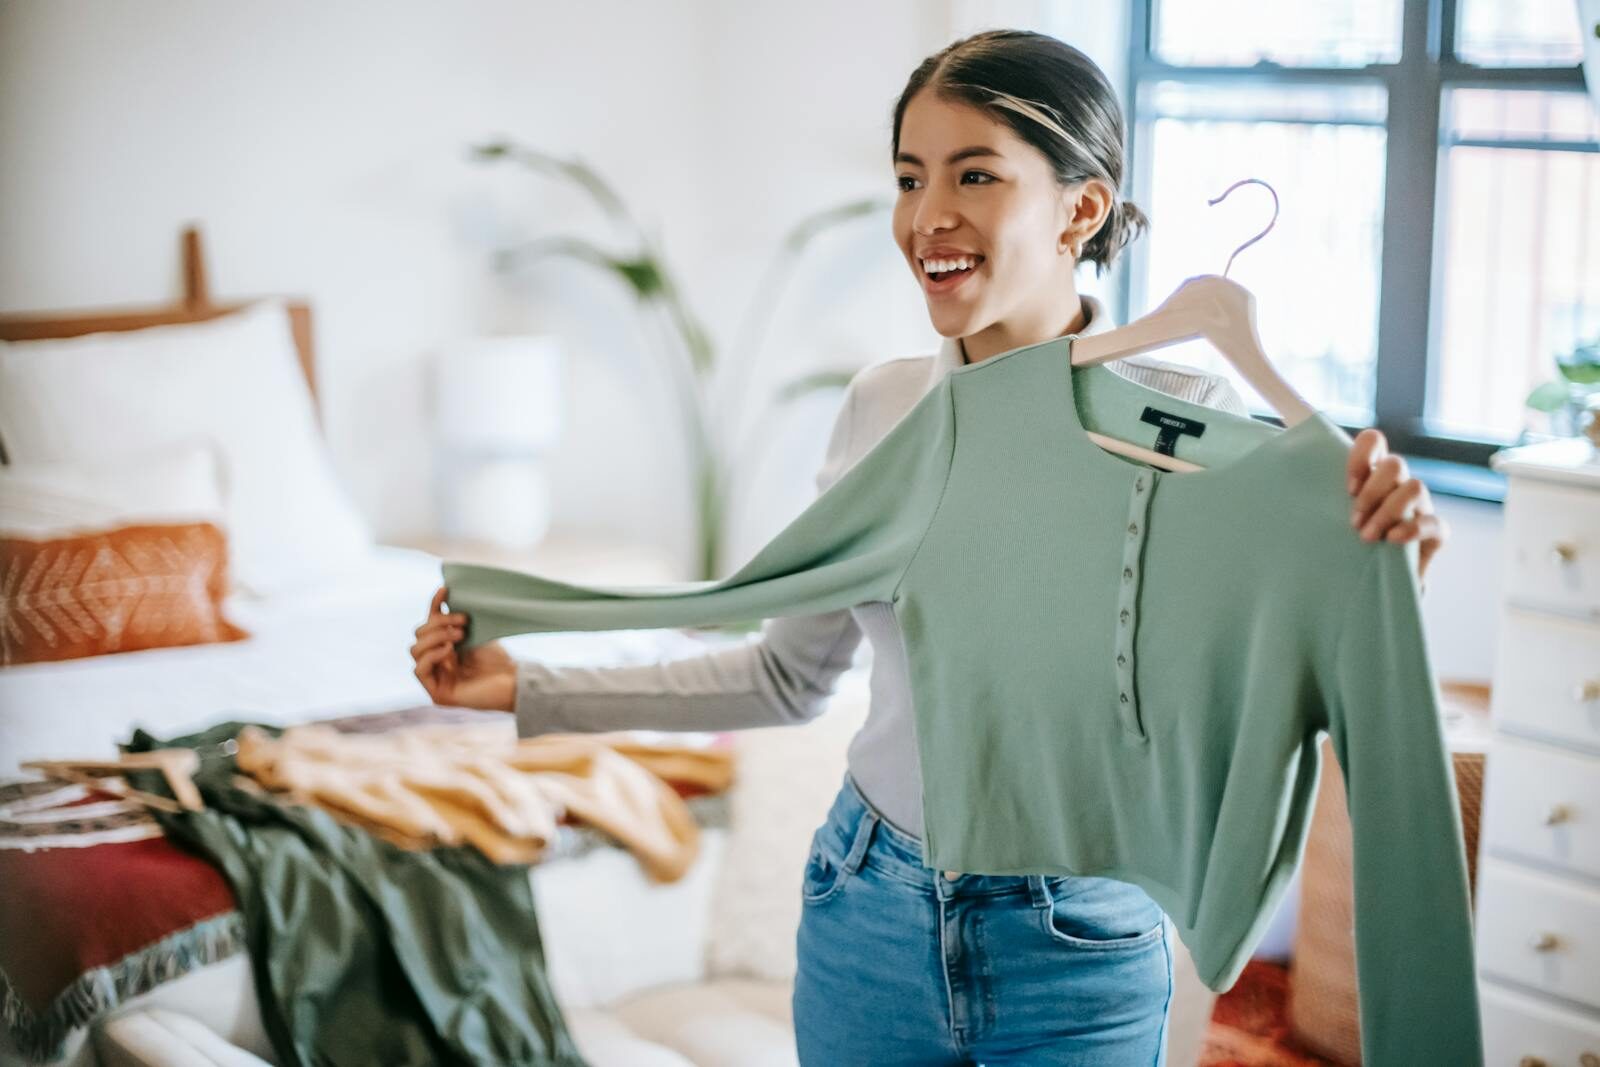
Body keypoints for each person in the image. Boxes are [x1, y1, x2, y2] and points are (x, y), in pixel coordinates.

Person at [410, 28, 1447, 1067]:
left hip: (1076, 945)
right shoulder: (884, 409)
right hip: (865, 913)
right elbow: (784, 676)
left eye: (975, 173)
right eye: (910, 177)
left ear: (1079, 209)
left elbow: (1283, 669)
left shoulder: (1198, 429)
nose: (926, 216)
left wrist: (1381, 554)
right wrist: (524, 686)